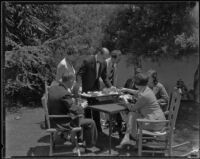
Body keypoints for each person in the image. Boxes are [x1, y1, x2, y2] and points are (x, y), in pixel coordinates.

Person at [48, 72, 98, 148]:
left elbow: (64, 104)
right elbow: (74, 110)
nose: (74, 83)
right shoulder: (65, 93)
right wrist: (82, 106)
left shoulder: (52, 89)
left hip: (52, 120)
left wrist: (73, 103)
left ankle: (79, 139)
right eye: (73, 80)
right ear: (70, 80)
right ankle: (89, 145)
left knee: (79, 117)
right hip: (62, 123)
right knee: (90, 122)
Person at [117, 72, 166, 148]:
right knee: (132, 115)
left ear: (136, 84)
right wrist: (126, 89)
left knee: (131, 115)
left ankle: (133, 138)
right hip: (158, 119)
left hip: (155, 123)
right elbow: (137, 92)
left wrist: (125, 101)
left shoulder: (144, 96)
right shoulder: (147, 89)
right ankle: (130, 138)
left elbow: (132, 108)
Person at [76, 47, 112, 134]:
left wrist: (111, 87)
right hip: (85, 89)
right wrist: (80, 86)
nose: (105, 60)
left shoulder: (103, 63)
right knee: (87, 110)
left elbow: (104, 77)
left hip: (95, 90)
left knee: (96, 110)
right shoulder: (87, 61)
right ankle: (88, 131)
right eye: (104, 57)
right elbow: (79, 74)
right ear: (99, 53)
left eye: (106, 58)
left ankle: (98, 130)